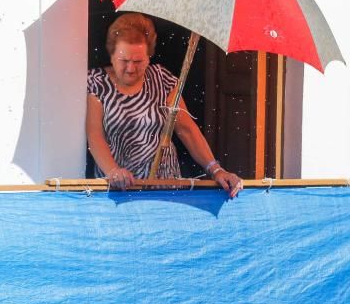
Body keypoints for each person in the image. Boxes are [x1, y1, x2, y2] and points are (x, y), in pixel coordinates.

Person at [86, 13, 243, 197]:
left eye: (138, 62)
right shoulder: (96, 83)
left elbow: (186, 130)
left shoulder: (162, 80)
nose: (130, 68)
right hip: (118, 189)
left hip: (165, 188)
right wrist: (113, 171)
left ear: (149, 57)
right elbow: (95, 135)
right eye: (124, 61)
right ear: (111, 55)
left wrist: (216, 170)